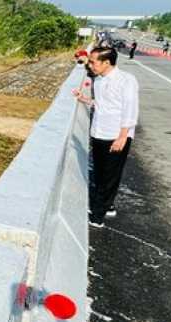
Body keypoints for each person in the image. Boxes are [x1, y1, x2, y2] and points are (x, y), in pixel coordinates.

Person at [72, 47, 139, 227]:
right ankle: (107, 206)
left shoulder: (126, 81)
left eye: (93, 62)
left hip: (116, 135)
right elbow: (102, 104)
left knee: (110, 176)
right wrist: (84, 99)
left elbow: (130, 111)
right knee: (100, 173)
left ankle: (98, 217)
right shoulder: (99, 81)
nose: (90, 65)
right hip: (98, 133)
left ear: (107, 62)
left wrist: (122, 137)